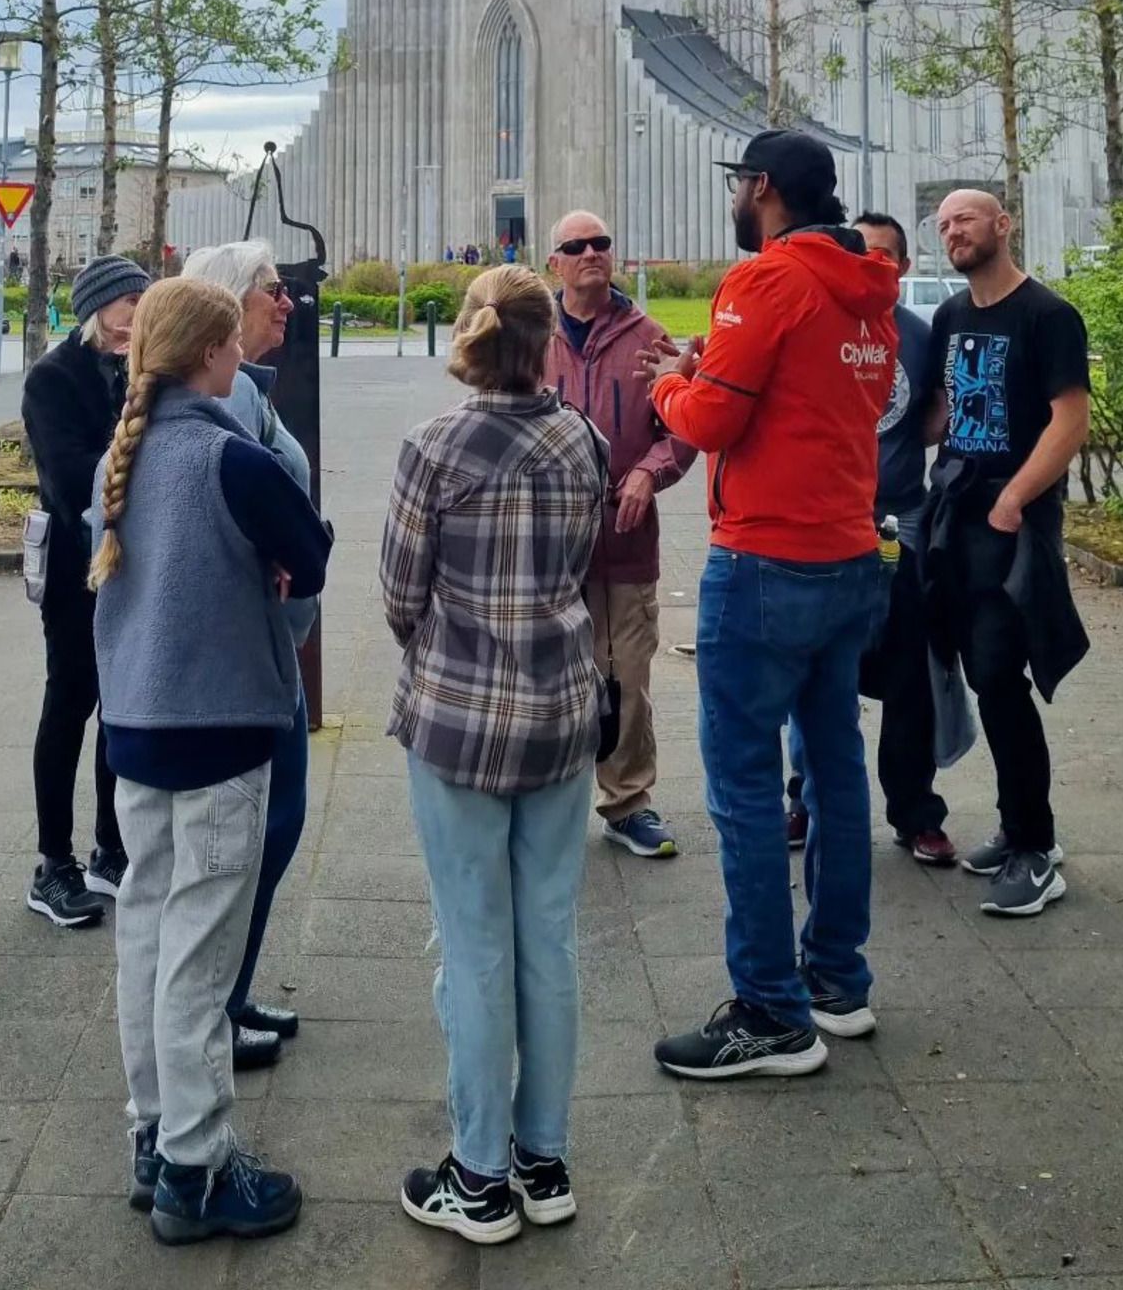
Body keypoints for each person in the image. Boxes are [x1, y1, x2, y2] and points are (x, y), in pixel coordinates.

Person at [648, 129, 899, 1080]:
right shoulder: (870, 286)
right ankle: (837, 980)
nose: (735, 201)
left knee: (745, 785)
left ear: (761, 188)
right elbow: (824, 398)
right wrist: (710, 367)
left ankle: (768, 1011)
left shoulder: (765, 280)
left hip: (765, 562)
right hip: (848, 554)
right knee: (834, 768)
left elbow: (713, 419)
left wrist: (671, 383)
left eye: (737, 187)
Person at [90, 277, 331, 1245]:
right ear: (206, 354)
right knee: (201, 951)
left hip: (136, 723)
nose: (242, 358)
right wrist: (274, 567)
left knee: (147, 932)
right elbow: (310, 553)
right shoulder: (231, 457)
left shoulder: (122, 455)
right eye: (231, 343)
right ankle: (196, 1167)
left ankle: (153, 1135)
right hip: (222, 724)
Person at [381, 266, 608, 1242]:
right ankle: (541, 1159)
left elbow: (401, 594)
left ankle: (476, 1177)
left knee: (474, 945)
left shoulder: (432, 447)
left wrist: (448, 649)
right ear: (546, 339)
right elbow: (585, 566)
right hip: (560, 714)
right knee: (548, 938)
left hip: (459, 722)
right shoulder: (583, 439)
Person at [919, 189, 1091, 919]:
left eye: (964, 219)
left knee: (998, 672)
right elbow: (939, 413)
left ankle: (1036, 848)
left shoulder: (1048, 315)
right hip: (955, 515)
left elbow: (1070, 419)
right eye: (943, 225)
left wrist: (1016, 497)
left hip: (1013, 521)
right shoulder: (951, 317)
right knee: (983, 675)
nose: (952, 231)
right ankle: (1017, 825)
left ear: (1003, 224)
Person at [181, 241, 317, 1071]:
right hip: (251, 653)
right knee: (259, 831)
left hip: (269, 644)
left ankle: (229, 992)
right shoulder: (227, 397)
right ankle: (216, 1007)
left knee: (272, 828)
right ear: (230, 302)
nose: (288, 301)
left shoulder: (246, 389)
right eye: (274, 289)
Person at [786, 212, 957, 870]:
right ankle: (806, 797)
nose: (870, 264)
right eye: (859, 251)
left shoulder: (919, 334)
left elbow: (935, 412)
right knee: (815, 666)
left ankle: (915, 812)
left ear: (904, 268)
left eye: (884, 256)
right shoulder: (816, 322)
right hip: (824, 524)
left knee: (910, 668)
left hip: (899, 525)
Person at [545, 207, 689, 860]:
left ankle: (628, 803)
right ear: (555, 263)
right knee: (551, 682)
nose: (591, 253)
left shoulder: (648, 337)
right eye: (576, 246)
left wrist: (649, 474)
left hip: (627, 545)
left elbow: (682, 426)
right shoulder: (533, 334)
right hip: (551, 553)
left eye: (600, 242)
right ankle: (549, 806)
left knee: (627, 677)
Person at [19, 252, 148, 932]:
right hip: (75, 564)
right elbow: (69, 479)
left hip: (129, 560)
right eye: (131, 304)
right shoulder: (53, 378)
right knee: (70, 701)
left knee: (119, 704)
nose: (140, 316)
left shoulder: (142, 370)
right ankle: (53, 863)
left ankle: (111, 848)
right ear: (100, 309)